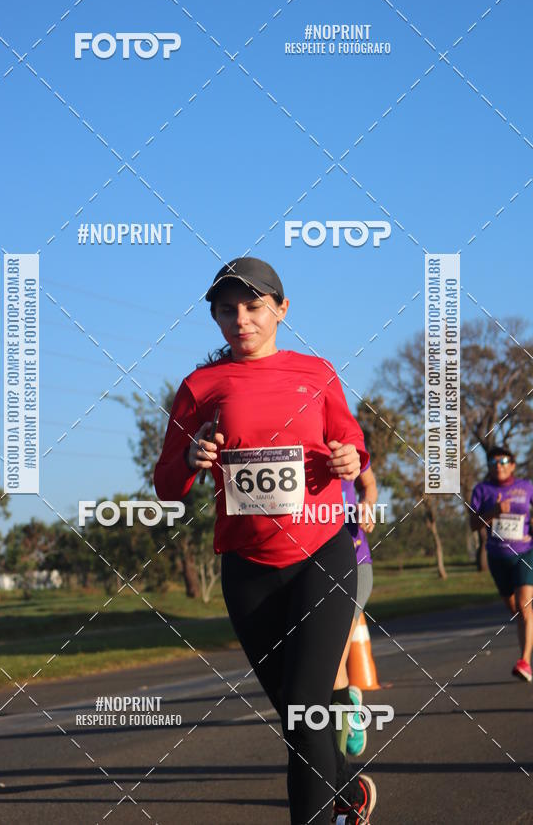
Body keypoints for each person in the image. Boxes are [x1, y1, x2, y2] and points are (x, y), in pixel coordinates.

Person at [154, 257, 377, 824]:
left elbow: (349, 441)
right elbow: (166, 485)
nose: (241, 320)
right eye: (226, 310)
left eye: (253, 306)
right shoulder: (200, 388)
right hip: (248, 568)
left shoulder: (317, 372)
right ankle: (349, 791)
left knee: (304, 712)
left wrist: (353, 457)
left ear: (281, 309)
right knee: (300, 714)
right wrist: (190, 456)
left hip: (323, 555)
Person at [470, 445, 533, 681]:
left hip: (525, 553)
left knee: (525, 605)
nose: (499, 465)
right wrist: (493, 512)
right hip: (497, 557)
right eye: (494, 462)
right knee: (516, 610)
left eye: (504, 460)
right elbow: (472, 525)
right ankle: (528, 635)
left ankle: (524, 661)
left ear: (513, 465)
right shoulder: (482, 490)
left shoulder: (526, 487)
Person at [332, 466, 378, 757]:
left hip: (355, 564)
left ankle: (334, 775)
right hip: (307, 571)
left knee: (334, 658)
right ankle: (348, 699)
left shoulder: (345, 437)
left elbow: (369, 484)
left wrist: (368, 505)